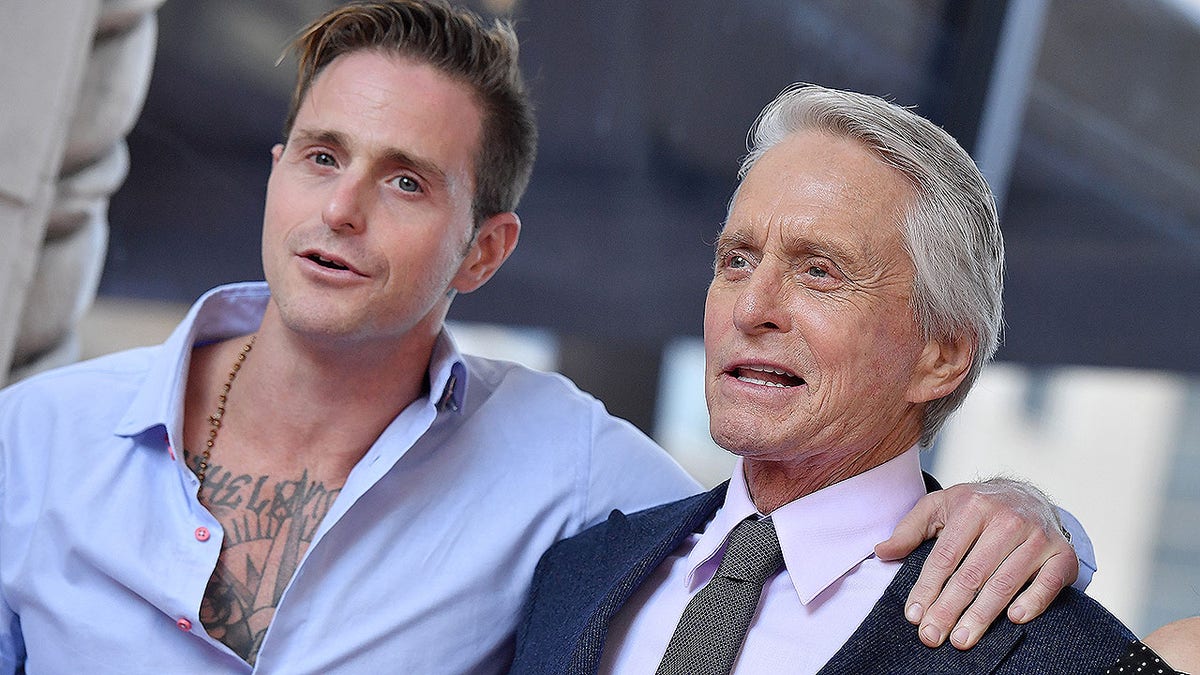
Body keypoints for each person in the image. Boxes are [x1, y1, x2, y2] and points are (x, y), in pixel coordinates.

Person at [0, 2, 1090, 673]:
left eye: (408, 182)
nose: (342, 210)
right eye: (321, 157)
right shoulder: (37, 439)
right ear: (276, 170)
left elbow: (785, 514)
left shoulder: (567, 474)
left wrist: (1033, 518)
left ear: (484, 252)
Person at [508, 83, 1134, 674]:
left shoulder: (1053, 653)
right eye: (737, 260)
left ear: (940, 355)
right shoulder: (576, 577)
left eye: (819, 272)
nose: (751, 309)